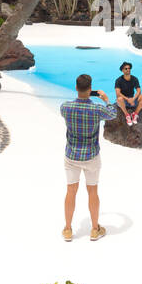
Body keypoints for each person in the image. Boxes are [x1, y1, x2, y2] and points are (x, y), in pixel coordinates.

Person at [58, 74, 119, 242]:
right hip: (91, 156)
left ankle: (68, 230)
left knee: (71, 191)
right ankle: (94, 229)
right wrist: (106, 99)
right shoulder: (97, 109)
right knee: (92, 191)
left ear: (76, 88)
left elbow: (68, 109)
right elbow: (113, 114)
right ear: (90, 89)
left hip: (71, 156)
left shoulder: (65, 107)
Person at [114, 61, 142, 125]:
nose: (128, 70)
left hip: (133, 99)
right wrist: (128, 99)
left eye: (129, 68)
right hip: (124, 100)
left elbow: (139, 91)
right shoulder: (118, 80)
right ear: (122, 70)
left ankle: (135, 114)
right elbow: (118, 93)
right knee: (119, 99)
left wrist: (133, 98)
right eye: (126, 68)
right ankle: (127, 115)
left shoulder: (134, 79)